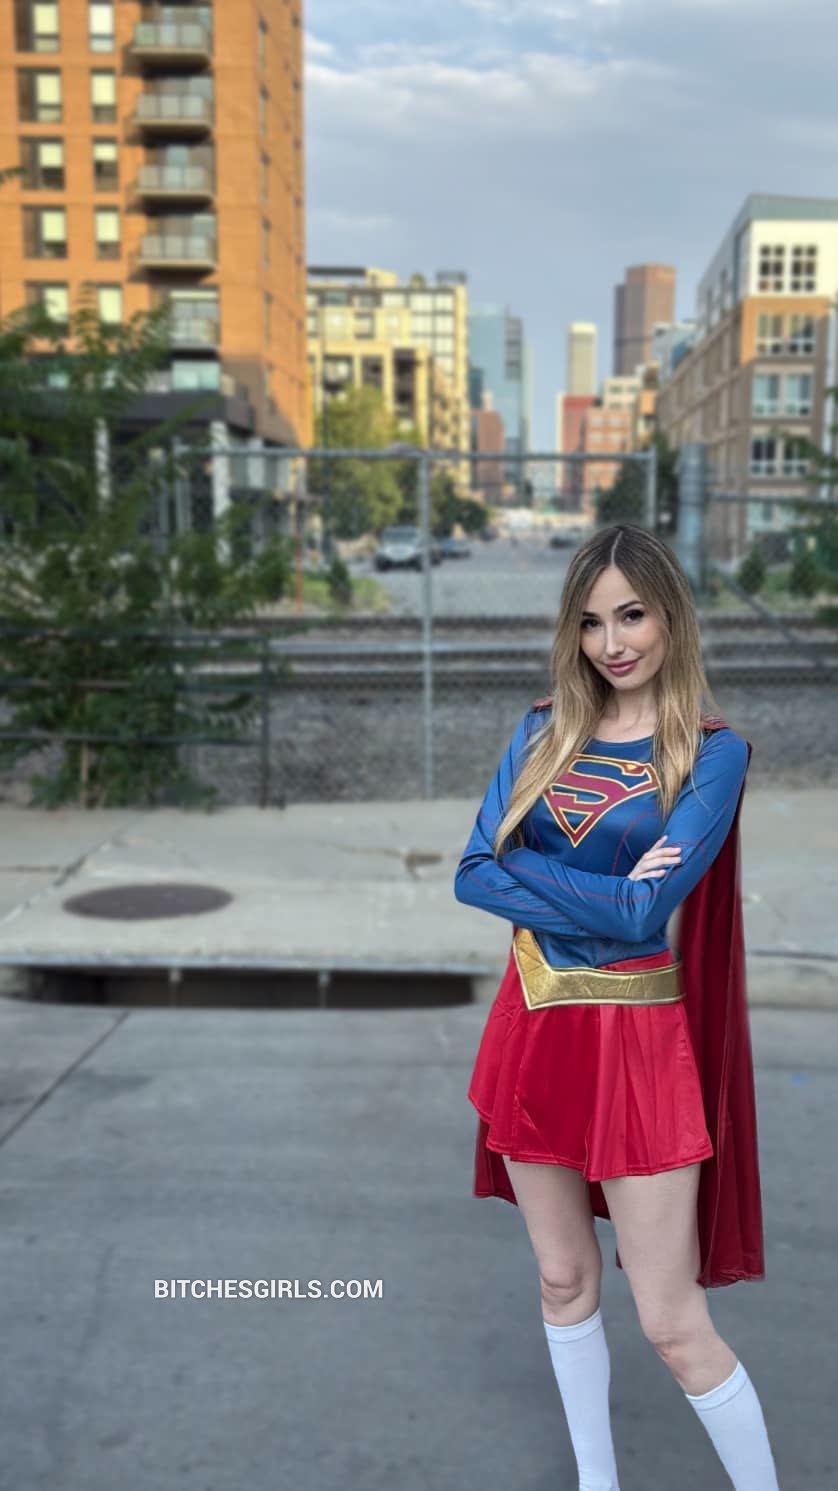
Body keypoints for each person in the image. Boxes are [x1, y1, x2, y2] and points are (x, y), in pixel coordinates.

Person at [453, 524, 780, 1491]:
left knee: (673, 1322)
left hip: (639, 1045)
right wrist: (601, 892)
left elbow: (647, 914)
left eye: (632, 615)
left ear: (669, 615)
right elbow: (473, 872)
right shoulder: (540, 730)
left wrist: (530, 871)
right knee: (563, 1279)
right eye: (592, 622)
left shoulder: (710, 753)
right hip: (536, 1024)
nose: (613, 642)